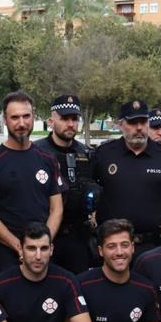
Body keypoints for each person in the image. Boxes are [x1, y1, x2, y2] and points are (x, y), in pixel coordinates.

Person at [0, 90, 65, 278]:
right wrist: (21, 247)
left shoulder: (48, 159)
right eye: (15, 117)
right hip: (5, 255)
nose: (21, 123)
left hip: (41, 256)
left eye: (26, 116)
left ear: (34, 117)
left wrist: (41, 246)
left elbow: (57, 209)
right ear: (5, 120)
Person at [91, 100, 161, 257]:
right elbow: (90, 186)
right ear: (120, 124)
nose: (139, 127)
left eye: (143, 122)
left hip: (154, 246)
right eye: (133, 122)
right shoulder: (104, 154)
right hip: (115, 249)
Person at [34, 94, 99, 273]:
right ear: (51, 121)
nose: (70, 124)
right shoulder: (37, 152)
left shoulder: (87, 153)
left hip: (79, 237)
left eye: (74, 119)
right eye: (64, 118)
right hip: (47, 235)